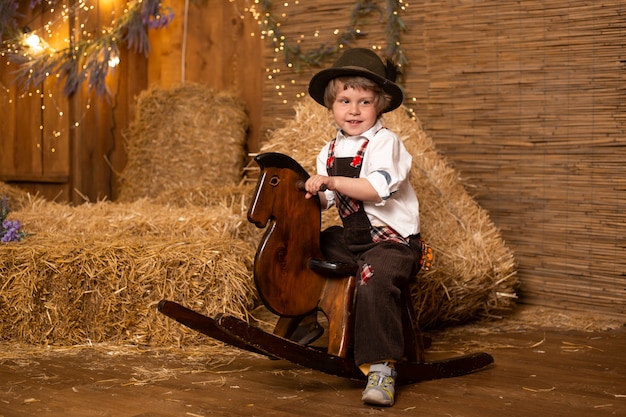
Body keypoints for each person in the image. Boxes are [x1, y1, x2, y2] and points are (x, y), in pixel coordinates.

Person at [304, 48, 424, 407]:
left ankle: (381, 368)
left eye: (364, 101)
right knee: (311, 246)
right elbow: (328, 201)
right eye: (345, 100)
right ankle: (306, 317)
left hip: (392, 243)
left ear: (380, 105)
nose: (353, 110)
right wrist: (311, 194)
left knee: (373, 278)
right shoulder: (328, 151)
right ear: (332, 105)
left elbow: (375, 189)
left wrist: (332, 182)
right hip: (354, 240)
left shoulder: (386, 143)